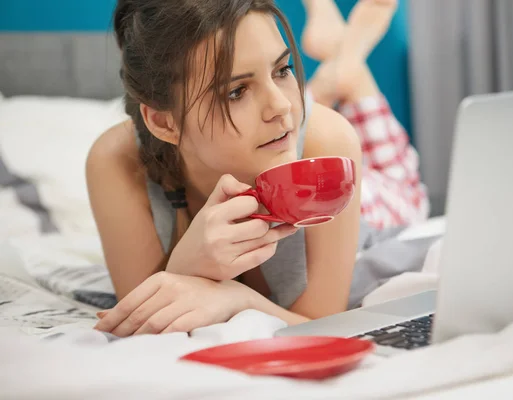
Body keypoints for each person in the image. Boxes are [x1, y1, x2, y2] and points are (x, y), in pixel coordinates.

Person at [87, 0, 428, 338]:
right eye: (236, 92)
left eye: (283, 70)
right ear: (164, 122)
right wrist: (185, 266)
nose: (280, 105)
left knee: (355, 108)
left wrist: (235, 298)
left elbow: (323, 324)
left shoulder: (330, 142)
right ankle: (335, 62)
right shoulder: (117, 162)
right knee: (305, 105)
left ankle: (344, 61)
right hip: (283, 139)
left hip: (377, 196)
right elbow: (144, 319)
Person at [301, 0, 429, 229]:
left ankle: (342, 57)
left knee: (400, 187)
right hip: (387, 204)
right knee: (404, 192)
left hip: (379, 192)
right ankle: (344, 57)